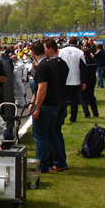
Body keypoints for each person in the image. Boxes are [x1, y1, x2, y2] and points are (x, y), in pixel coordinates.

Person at [30, 41, 67, 174]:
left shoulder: (42, 66)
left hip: (46, 104)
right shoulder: (52, 63)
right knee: (52, 134)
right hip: (55, 103)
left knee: (39, 135)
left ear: (33, 53)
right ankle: (60, 162)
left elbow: (42, 88)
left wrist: (37, 108)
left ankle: (42, 165)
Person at [44, 38, 70, 171]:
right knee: (56, 132)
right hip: (62, 99)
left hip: (56, 100)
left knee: (52, 133)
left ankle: (58, 160)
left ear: (50, 49)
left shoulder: (52, 65)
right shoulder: (63, 63)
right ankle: (58, 159)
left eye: (45, 48)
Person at [58, 36, 86, 123]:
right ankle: (73, 117)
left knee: (63, 98)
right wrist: (84, 81)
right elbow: (83, 67)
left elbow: (58, 63)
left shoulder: (62, 51)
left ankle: (62, 115)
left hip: (64, 78)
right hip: (75, 79)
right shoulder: (80, 52)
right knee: (74, 99)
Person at [79, 47, 99, 119]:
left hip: (84, 80)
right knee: (91, 97)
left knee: (83, 98)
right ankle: (95, 112)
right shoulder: (94, 61)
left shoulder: (83, 62)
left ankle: (87, 114)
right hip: (92, 80)